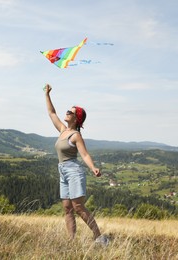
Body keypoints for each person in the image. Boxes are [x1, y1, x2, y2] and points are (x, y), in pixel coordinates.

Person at [44, 83, 108, 245]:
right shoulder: (62, 130)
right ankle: (71, 241)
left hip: (74, 171)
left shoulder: (75, 135)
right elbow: (51, 113)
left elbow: (84, 154)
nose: (66, 112)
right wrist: (47, 94)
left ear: (76, 118)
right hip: (62, 171)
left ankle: (99, 237)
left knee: (78, 207)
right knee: (67, 208)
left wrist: (93, 167)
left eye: (70, 112)